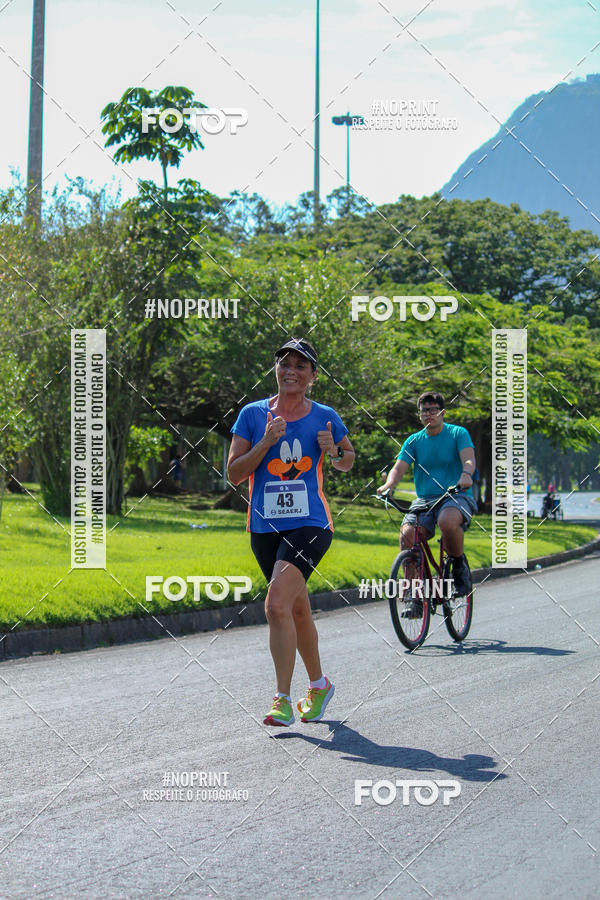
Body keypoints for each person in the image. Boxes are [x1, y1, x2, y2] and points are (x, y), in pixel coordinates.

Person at [228, 339, 355, 727]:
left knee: (276, 605)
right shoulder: (252, 415)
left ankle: (281, 699)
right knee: (297, 609)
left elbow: (347, 461)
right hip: (264, 526)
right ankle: (319, 685)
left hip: (311, 525)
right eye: (285, 364)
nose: (292, 371)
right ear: (276, 370)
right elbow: (234, 474)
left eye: (302, 366)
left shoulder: (325, 415)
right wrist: (266, 441)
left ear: (313, 376)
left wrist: (333, 451)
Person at [377, 391, 477, 603]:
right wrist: (388, 485)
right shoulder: (414, 441)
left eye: (433, 410)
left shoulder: (458, 433)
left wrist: (466, 475)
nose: (429, 414)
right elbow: (399, 468)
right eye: (424, 411)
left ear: (442, 412)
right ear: (419, 415)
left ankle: (459, 568)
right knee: (407, 535)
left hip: (455, 494)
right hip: (425, 499)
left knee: (447, 522)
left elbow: (468, 459)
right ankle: (414, 594)